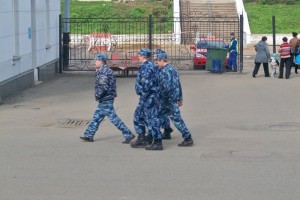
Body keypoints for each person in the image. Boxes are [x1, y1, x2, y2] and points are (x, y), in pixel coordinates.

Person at [80, 54, 135, 143]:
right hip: (106, 98)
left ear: (101, 62)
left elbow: (103, 87)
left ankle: (128, 134)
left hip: (106, 98)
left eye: (97, 61)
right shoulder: (105, 70)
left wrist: (97, 95)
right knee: (96, 117)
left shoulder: (104, 72)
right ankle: (89, 135)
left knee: (113, 118)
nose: (95, 62)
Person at [155, 52, 194, 147]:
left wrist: (160, 99)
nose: (156, 62)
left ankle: (187, 137)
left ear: (161, 60)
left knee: (175, 119)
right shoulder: (173, 69)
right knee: (159, 116)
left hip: (168, 100)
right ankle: (154, 135)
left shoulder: (165, 71)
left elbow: (166, 88)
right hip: (172, 98)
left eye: (157, 61)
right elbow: (178, 85)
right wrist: (180, 98)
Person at [131, 48, 163, 150]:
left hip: (149, 97)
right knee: (140, 116)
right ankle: (143, 138)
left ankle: (157, 142)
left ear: (143, 56)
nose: (138, 57)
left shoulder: (148, 67)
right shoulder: (146, 66)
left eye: (139, 55)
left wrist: (143, 96)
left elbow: (147, 84)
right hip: (146, 97)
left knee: (151, 119)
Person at [152, 48, 174, 140]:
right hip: (160, 94)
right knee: (163, 114)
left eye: (155, 56)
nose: (154, 58)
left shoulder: (164, 69)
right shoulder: (157, 66)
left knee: (158, 114)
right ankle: (167, 130)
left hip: (162, 95)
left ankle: (155, 136)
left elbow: (166, 84)